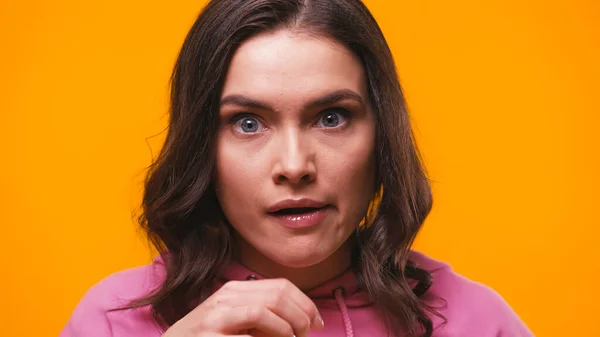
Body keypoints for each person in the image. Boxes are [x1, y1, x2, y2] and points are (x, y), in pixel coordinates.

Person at [59, 0, 534, 336]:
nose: (293, 166)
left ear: (381, 136)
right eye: (248, 123)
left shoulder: (476, 321)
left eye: (332, 118)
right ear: (203, 146)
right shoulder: (112, 322)